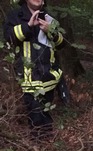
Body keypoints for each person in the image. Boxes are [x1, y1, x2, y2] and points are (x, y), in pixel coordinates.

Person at [3, 0, 65, 139]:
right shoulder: (15, 16)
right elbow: (9, 39)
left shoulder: (49, 17)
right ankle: (39, 147)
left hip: (49, 77)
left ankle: (46, 146)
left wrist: (52, 31)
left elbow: (61, 44)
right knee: (35, 117)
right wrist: (29, 25)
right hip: (29, 78)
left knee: (46, 116)